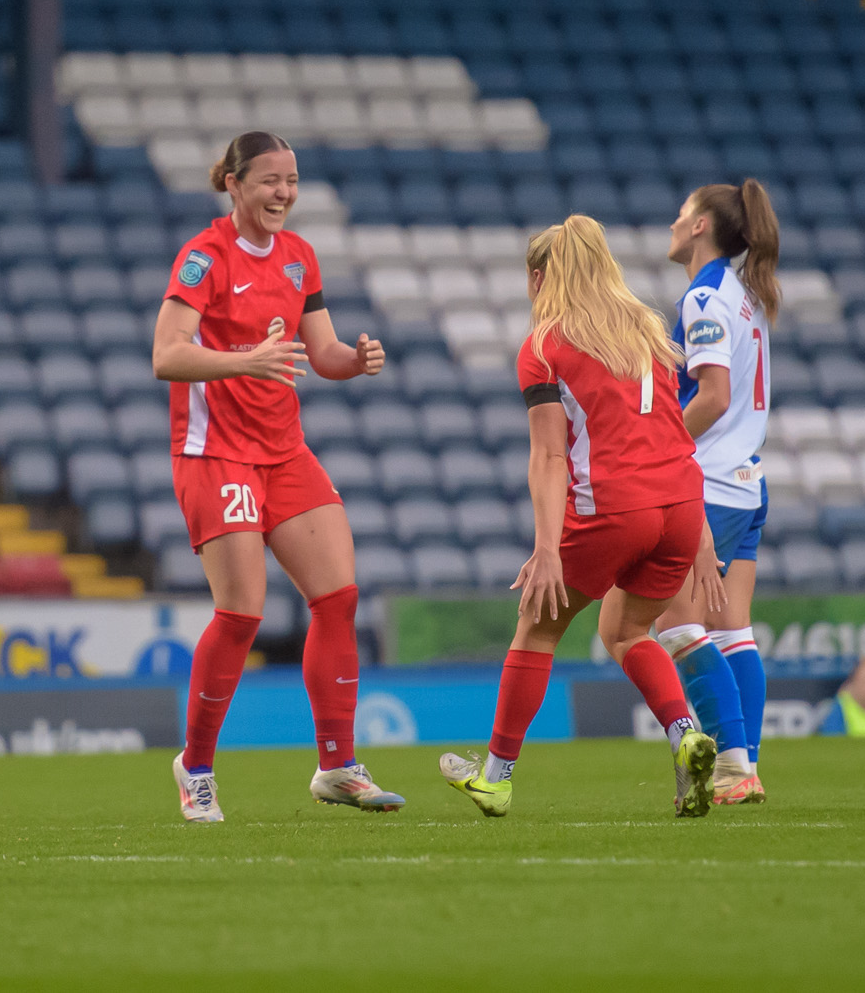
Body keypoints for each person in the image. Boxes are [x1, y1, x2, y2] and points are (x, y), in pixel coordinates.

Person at [153, 130, 403, 823]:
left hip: (283, 450)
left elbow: (317, 350)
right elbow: (166, 355)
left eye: (290, 181)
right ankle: (195, 767)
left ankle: (337, 765)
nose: (283, 193)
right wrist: (242, 361)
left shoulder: (299, 257)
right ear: (232, 184)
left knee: (339, 596)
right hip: (215, 452)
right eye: (269, 181)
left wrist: (354, 359)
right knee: (241, 614)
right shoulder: (204, 257)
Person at [441, 215, 724, 819]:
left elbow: (547, 455)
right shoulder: (648, 331)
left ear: (539, 277)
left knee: (536, 627)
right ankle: (685, 736)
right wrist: (698, 532)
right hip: (679, 506)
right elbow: (677, 436)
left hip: (615, 509)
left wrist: (547, 547)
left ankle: (495, 778)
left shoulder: (545, 346)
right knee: (626, 632)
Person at [649, 182, 779, 804]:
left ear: (701, 225)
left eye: (681, 215)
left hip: (708, 484)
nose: (673, 224)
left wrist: (657, 446)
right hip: (748, 481)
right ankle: (744, 768)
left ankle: (730, 762)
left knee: (675, 624)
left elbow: (714, 394)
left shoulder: (704, 295)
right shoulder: (747, 295)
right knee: (733, 631)